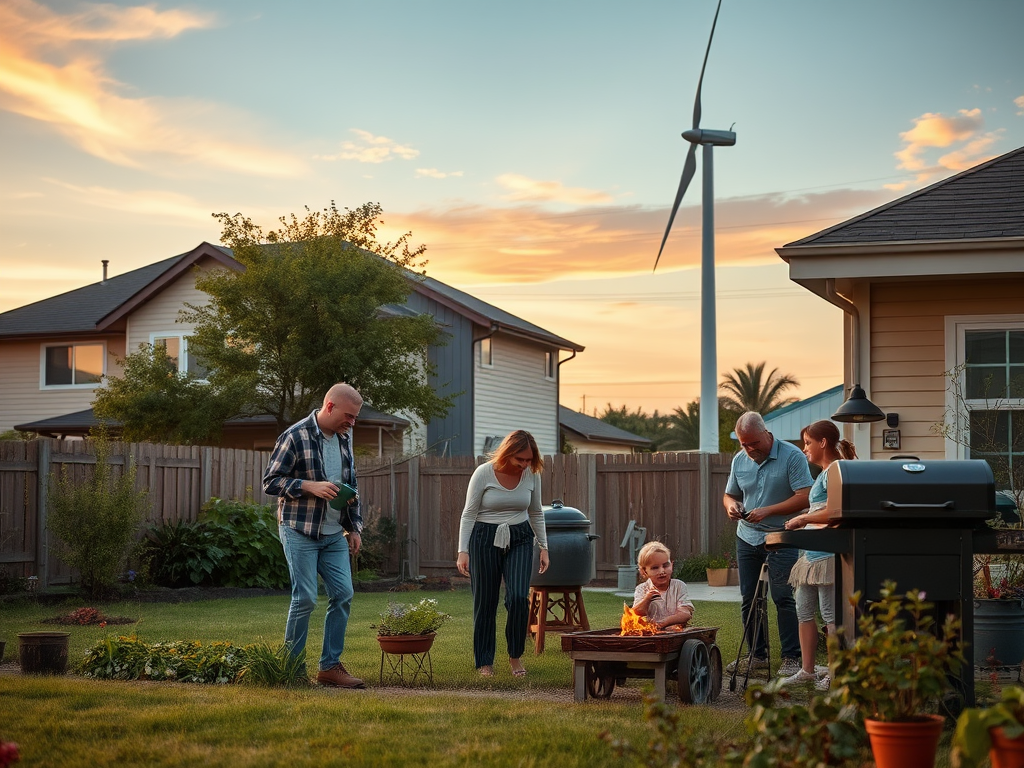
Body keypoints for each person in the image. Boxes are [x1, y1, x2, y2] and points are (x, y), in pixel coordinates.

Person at [263, 382, 366, 689]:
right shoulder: (295, 436)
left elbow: (351, 487)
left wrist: (354, 527)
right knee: (305, 597)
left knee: (343, 594)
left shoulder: (344, 440)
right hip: (300, 530)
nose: (352, 422)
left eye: (355, 417)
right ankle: (291, 670)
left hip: (334, 533)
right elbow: (270, 482)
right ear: (330, 406)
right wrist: (309, 486)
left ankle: (329, 667)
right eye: (349, 415)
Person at [724, 411, 813, 677]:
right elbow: (730, 494)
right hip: (747, 536)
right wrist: (732, 506)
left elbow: (805, 497)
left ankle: (791, 658)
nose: (750, 449)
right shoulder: (740, 460)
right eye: (744, 444)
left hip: (782, 537)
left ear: (766, 433)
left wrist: (767, 511)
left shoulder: (792, 456)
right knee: (749, 599)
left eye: (754, 443)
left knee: (783, 597)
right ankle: (757, 655)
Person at [455, 430, 549, 678]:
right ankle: (484, 662)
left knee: (518, 598)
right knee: (485, 602)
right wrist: (462, 550)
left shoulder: (531, 474)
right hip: (484, 538)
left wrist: (544, 547)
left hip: (520, 537)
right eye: (521, 459)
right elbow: (469, 513)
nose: (525, 464)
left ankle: (515, 656)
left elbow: (536, 512)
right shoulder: (484, 473)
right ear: (508, 453)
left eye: (529, 459)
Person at [781, 420, 857, 691]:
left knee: (830, 616)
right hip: (809, 557)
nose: (804, 450)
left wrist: (802, 519)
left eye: (807, 443)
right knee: (803, 612)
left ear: (822, 442)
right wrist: (803, 520)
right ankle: (807, 671)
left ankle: (837, 673)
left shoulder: (836, 471)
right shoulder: (824, 472)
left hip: (826, 555)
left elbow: (838, 511)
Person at [632, 541, 695, 629]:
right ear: (644, 571)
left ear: (672, 565)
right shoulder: (642, 589)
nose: (662, 571)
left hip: (675, 632)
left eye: (665, 566)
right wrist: (647, 598)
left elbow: (685, 614)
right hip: (651, 633)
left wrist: (664, 622)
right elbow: (636, 613)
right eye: (655, 568)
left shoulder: (678, 586)